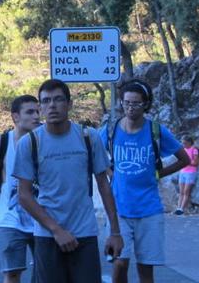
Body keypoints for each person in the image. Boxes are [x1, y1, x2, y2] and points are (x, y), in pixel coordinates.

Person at [13, 79, 123, 283]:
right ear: (40, 107)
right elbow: (24, 195)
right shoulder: (29, 143)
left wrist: (115, 232)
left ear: (69, 104)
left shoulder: (88, 137)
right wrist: (56, 230)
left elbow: (104, 186)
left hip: (85, 233)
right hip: (48, 236)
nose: (52, 106)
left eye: (58, 100)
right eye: (46, 101)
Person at [101, 80, 190, 283]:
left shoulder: (155, 131)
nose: (131, 107)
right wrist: (109, 171)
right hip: (119, 209)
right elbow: (93, 154)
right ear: (121, 103)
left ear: (145, 104)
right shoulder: (110, 130)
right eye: (127, 103)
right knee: (120, 262)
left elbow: (185, 159)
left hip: (149, 209)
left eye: (136, 103)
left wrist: (158, 173)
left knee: (145, 267)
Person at [0, 95, 40, 283]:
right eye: (30, 112)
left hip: (43, 218)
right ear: (15, 117)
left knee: (47, 273)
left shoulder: (46, 140)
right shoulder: (1, 143)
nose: (36, 116)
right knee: (12, 273)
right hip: (10, 218)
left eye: (37, 111)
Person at [176, 136, 199, 215]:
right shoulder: (183, 150)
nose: (183, 145)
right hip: (182, 172)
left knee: (186, 192)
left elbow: (195, 163)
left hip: (190, 172)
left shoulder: (194, 150)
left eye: (185, 143)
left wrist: (186, 161)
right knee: (181, 192)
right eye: (182, 143)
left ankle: (182, 209)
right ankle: (178, 208)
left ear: (189, 142)